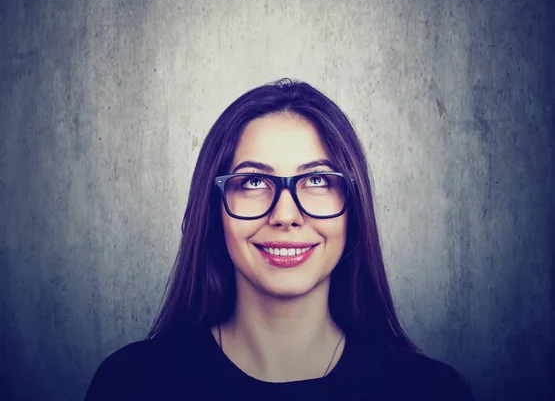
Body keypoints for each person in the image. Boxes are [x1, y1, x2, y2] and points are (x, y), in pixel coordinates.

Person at [84, 78, 475, 400]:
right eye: (254, 181)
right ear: (215, 208)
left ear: (353, 208)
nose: (285, 215)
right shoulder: (130, 385)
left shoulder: (431, 391)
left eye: (317, 180)